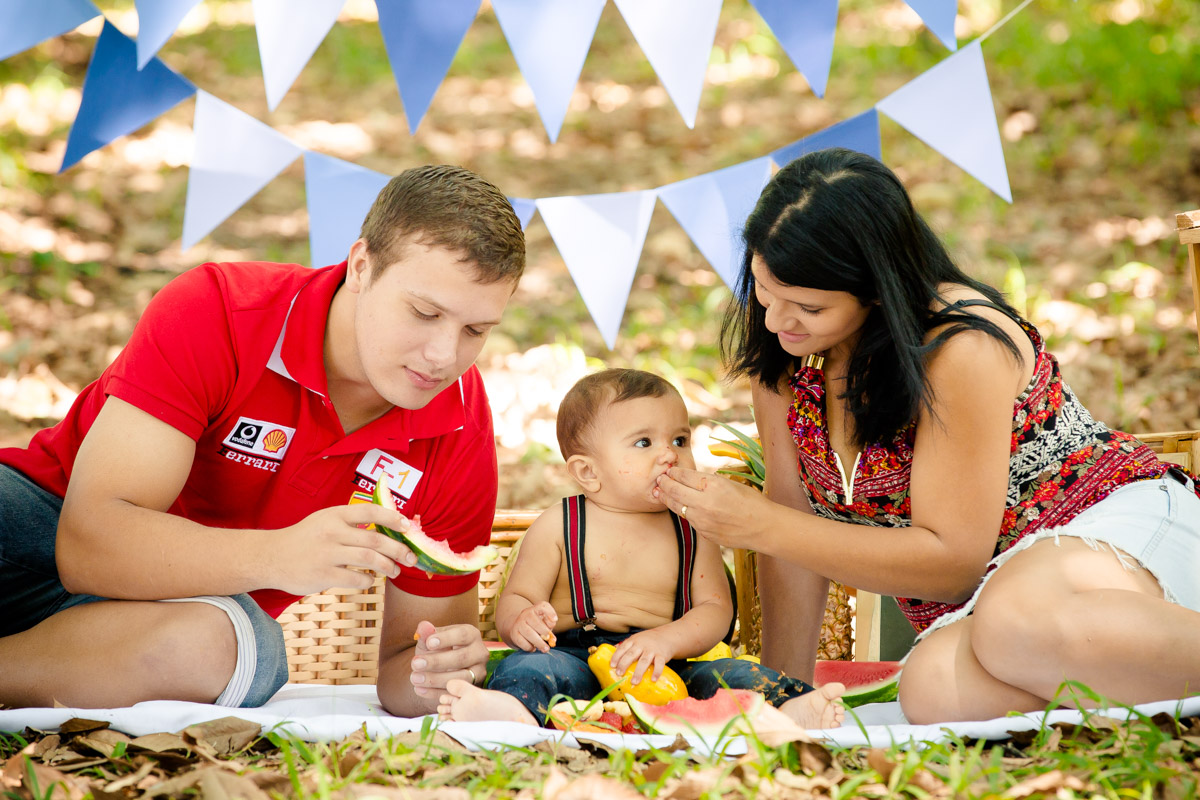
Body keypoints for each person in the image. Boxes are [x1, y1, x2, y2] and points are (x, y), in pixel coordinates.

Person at [653, 147, 1200, 725]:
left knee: (1014, 619)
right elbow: (793, 535)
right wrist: (783, 698)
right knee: (933, 689)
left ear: (877, 290)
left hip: (1101, 533)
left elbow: (953, 560)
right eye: (764, 290)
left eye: (807, 306)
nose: (773, 320)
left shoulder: (962, 345)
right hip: (992, 605)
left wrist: (760, 523)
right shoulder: (791, 358)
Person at [0, 164, 525, 716]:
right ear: (362, 266)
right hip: (35, 523)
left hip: (171, 622)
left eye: (475, 331)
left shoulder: (461, 423)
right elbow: (87, 546)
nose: (444, 356)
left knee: (245, 654)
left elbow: (403, 667)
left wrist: (441, 673)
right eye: (424, 312)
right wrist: (280, 555)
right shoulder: (221, 309)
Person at [437, 368, 845, 730]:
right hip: (574, 656)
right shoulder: (560, 525)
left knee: (732, 674)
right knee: (529, 667)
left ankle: (789, 708)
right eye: (644, 442)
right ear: (588, 472)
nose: (669, 454)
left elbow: (716, 611)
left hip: (671, 664)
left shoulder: (692, 525)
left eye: (680, 439)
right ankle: (510, 710)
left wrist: (667, 641)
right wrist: (522, 620)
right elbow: (518, 598)